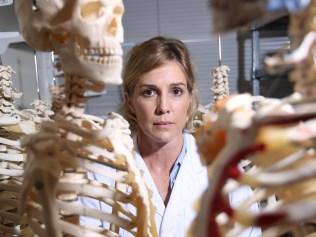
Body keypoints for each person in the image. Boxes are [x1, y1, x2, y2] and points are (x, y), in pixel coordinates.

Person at [121, 36, 261, 237]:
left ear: (190, 99)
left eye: (176, 91)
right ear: (130, 102)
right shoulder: (105, 174)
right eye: (149, 92)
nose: (164, 107)